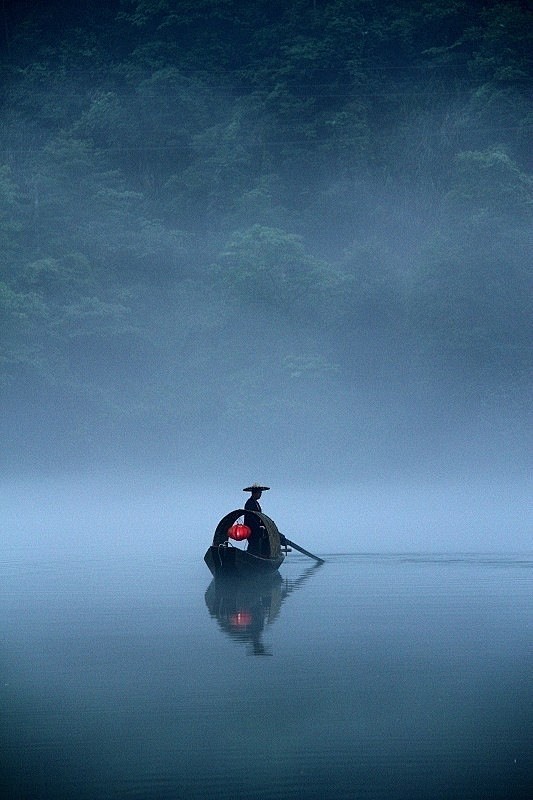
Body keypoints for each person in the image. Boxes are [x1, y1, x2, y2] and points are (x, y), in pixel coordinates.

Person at [243, 484, 270, 556]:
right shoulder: (250, 503)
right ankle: (251, 557)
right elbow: (250, 517)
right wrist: (258, 527)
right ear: (255, 493)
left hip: (256, 528)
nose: (260, 494)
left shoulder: (255, 503)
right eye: (259, 493)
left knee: (256, 545)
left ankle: (257, 556)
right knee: (253, 545)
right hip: (252, 528)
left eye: (261, 493)